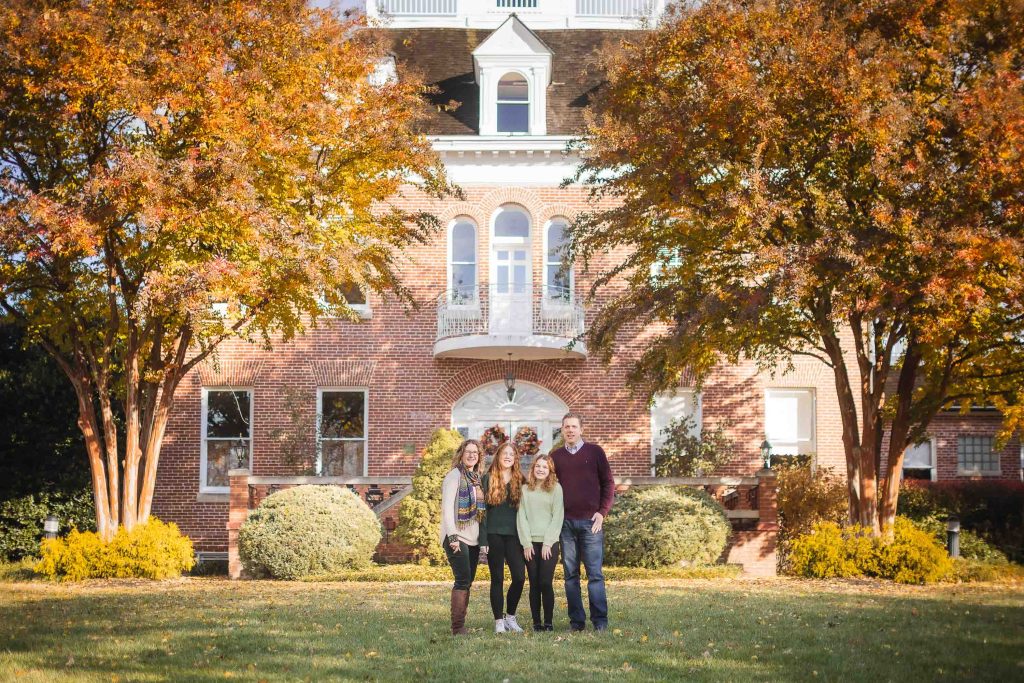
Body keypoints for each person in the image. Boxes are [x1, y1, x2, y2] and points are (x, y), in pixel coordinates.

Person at [550, 412, 614, 632]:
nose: (570, 430)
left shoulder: (595, 452)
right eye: (566, 426)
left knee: (595, 574)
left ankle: (600, 622)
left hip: (590, 523)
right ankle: (577, 623)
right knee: (570, 576)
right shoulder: (555, 457)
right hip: (566, 524)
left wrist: (602, 512)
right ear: (562, 429)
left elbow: (608, 484)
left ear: (581, 429)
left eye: (574, 426)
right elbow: (549, 487)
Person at [479, 441, 527, 633]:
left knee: (519, 577)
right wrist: (483, 540)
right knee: (497, 578)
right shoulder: (487, 478)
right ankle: (498, 621)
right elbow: (481, 513)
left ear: (515, 458)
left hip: (515, 536)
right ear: (498, 456)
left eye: (511, 454)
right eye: (504, 453)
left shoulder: (522, 481)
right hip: (493, 535)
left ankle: (511, 617)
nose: (508, 456)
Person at [439, 439, 485, 636]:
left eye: (475, 452)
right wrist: (452, 537)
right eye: (468, 452)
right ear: (461, 454)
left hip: (473, 538)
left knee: (468, 581)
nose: (472, 455)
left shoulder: (476, 478)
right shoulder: (454, 476)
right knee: (462, 580)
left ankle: (461, 624)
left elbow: (481, 513)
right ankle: (457, 627)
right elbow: (447, 509)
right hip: (457, 537)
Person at [517, 454, 564, 632]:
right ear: (533, 468)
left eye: (545, 467)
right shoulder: (525, 489)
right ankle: (537, 623)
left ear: (550, 470)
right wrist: (527, 543)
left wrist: (548, 542)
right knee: (534, 583)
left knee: (545, 582)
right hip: (530, 544)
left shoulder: (556, 489)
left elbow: (557, 516)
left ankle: (549, 622)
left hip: (548, 544)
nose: (541, 469)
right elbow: (522, 517)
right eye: (538, 466)